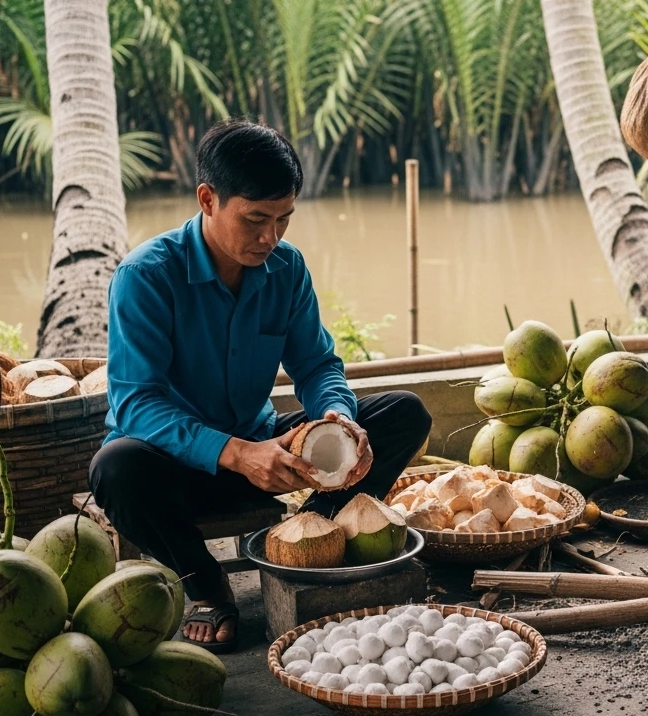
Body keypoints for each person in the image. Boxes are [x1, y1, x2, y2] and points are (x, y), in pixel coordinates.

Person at [88, 120, 431, 653]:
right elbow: (136, 403)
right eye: (254, 219)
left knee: (403, 413)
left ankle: (310, 539)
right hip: (175, 469)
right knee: (115, 467)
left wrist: (338, 419)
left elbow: (317, 366)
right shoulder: (145, 275)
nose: (270, 237)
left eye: (283, 220)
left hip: (267, 451)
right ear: (208, 199)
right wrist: (234, 451)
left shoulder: (286, 268)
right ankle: (204, 583)